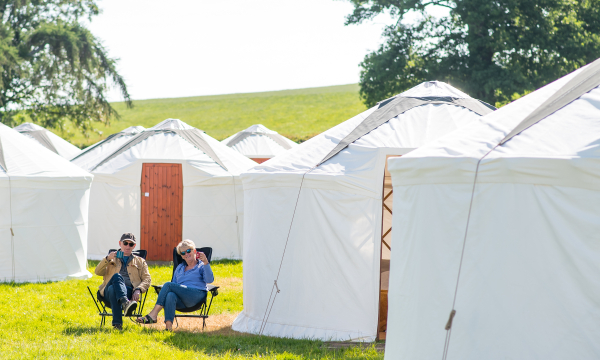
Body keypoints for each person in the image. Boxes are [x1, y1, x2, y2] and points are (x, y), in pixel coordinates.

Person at [137, 239, 214, 330]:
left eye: (188, 251)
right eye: (183, 253)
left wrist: (206, 262)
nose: (186, 254)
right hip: (182, 300)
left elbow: (209, 280)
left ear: (194, 251)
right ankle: (168, 328)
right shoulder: (179, 268)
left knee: (168, 285)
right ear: (181, 256)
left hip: (196, 296)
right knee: (170, 295)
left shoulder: (201, 266)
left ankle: (153, 314)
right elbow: (175, 284)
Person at [94, 233, 151, 330]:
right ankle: (125, 303)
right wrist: (107, 258)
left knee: (113, 289)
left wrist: (138, 290)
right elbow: (97, 272)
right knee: (116, 277)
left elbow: (147, 279)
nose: (128, 246)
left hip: (128, 292)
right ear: (120, 243)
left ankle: (117, 325)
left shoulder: (140, 261)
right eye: (125, 243)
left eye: (131, 244)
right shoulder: (111, 258)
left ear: (134, 246)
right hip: (106, 294)